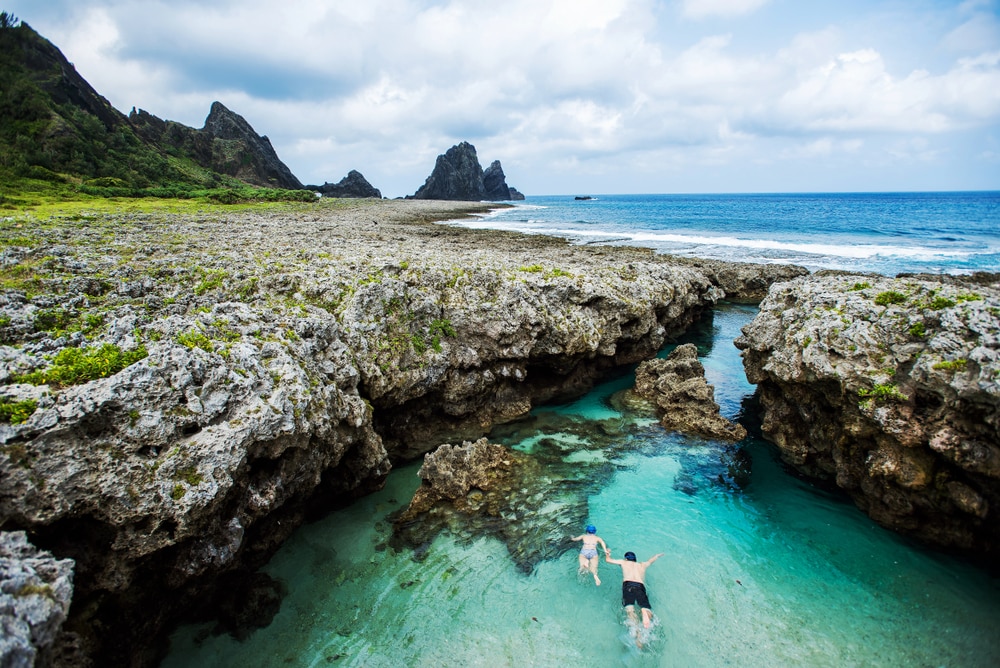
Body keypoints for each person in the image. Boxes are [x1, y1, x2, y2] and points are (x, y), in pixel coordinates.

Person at [605, 549, 664, 636]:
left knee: (630, 611)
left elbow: (608, 560)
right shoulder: (642, 565)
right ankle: (644, 610)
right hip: (640, 587)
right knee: (646, 607)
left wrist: (607, 553)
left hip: (628, 586)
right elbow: (650, 561)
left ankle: (636, 630)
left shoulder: (623, 562)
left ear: (626, 559)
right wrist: (657, 556)